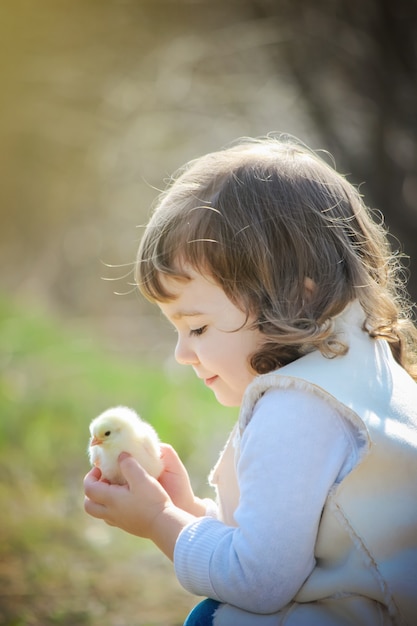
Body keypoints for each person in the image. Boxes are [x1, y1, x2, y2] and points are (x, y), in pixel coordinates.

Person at [84, 135, 417, 625]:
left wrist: (160, 521)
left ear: (297, 299)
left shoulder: (297, 408)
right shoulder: (367, 368)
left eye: (196, 327)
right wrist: (188, 510)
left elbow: (258, 582)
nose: (182, 353)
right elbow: (287, 548)